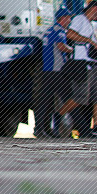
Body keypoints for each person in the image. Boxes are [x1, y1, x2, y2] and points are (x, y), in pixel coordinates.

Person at [61, 0, 97, 138]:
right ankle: (58, 115)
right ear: (94, 9)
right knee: (80, 97)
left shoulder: (89, 24)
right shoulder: (79, 19)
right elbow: (70, 34)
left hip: (92, 64)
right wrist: (88, 40)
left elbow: (91, 44)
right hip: (81, 64)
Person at [33, 9, 73, 137]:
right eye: (68, 18)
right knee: (70, 99)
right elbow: (61, 47)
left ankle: (40, 129)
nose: (70, 21)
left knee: (44, 100)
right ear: (63, 18)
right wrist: (73, 50)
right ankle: (72, 128)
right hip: (57, 70)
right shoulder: (59, 31)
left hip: (47, 70)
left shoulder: (49, 30)